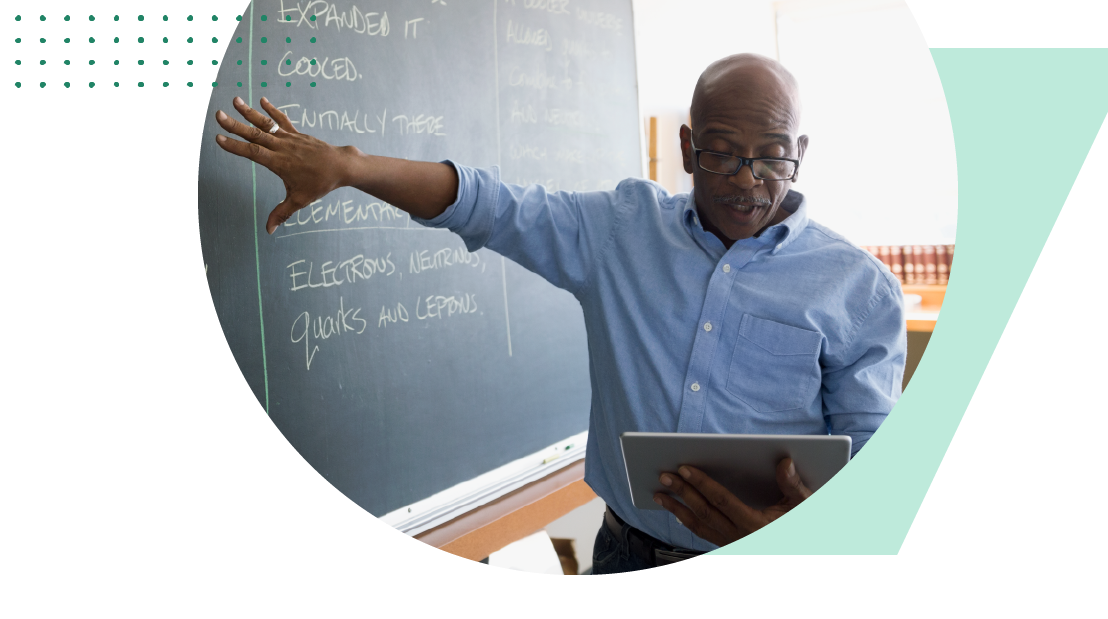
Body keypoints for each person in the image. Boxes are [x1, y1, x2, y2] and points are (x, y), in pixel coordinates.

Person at [213, 52, 906, 573]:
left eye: (772, 159)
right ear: (689, 147)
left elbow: (879, 473)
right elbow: (491, 205)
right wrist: (351, 169)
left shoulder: (859, 288)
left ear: (801, 155)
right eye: (722, 154)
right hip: (623, 558)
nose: (748, 181)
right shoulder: (621, 232)